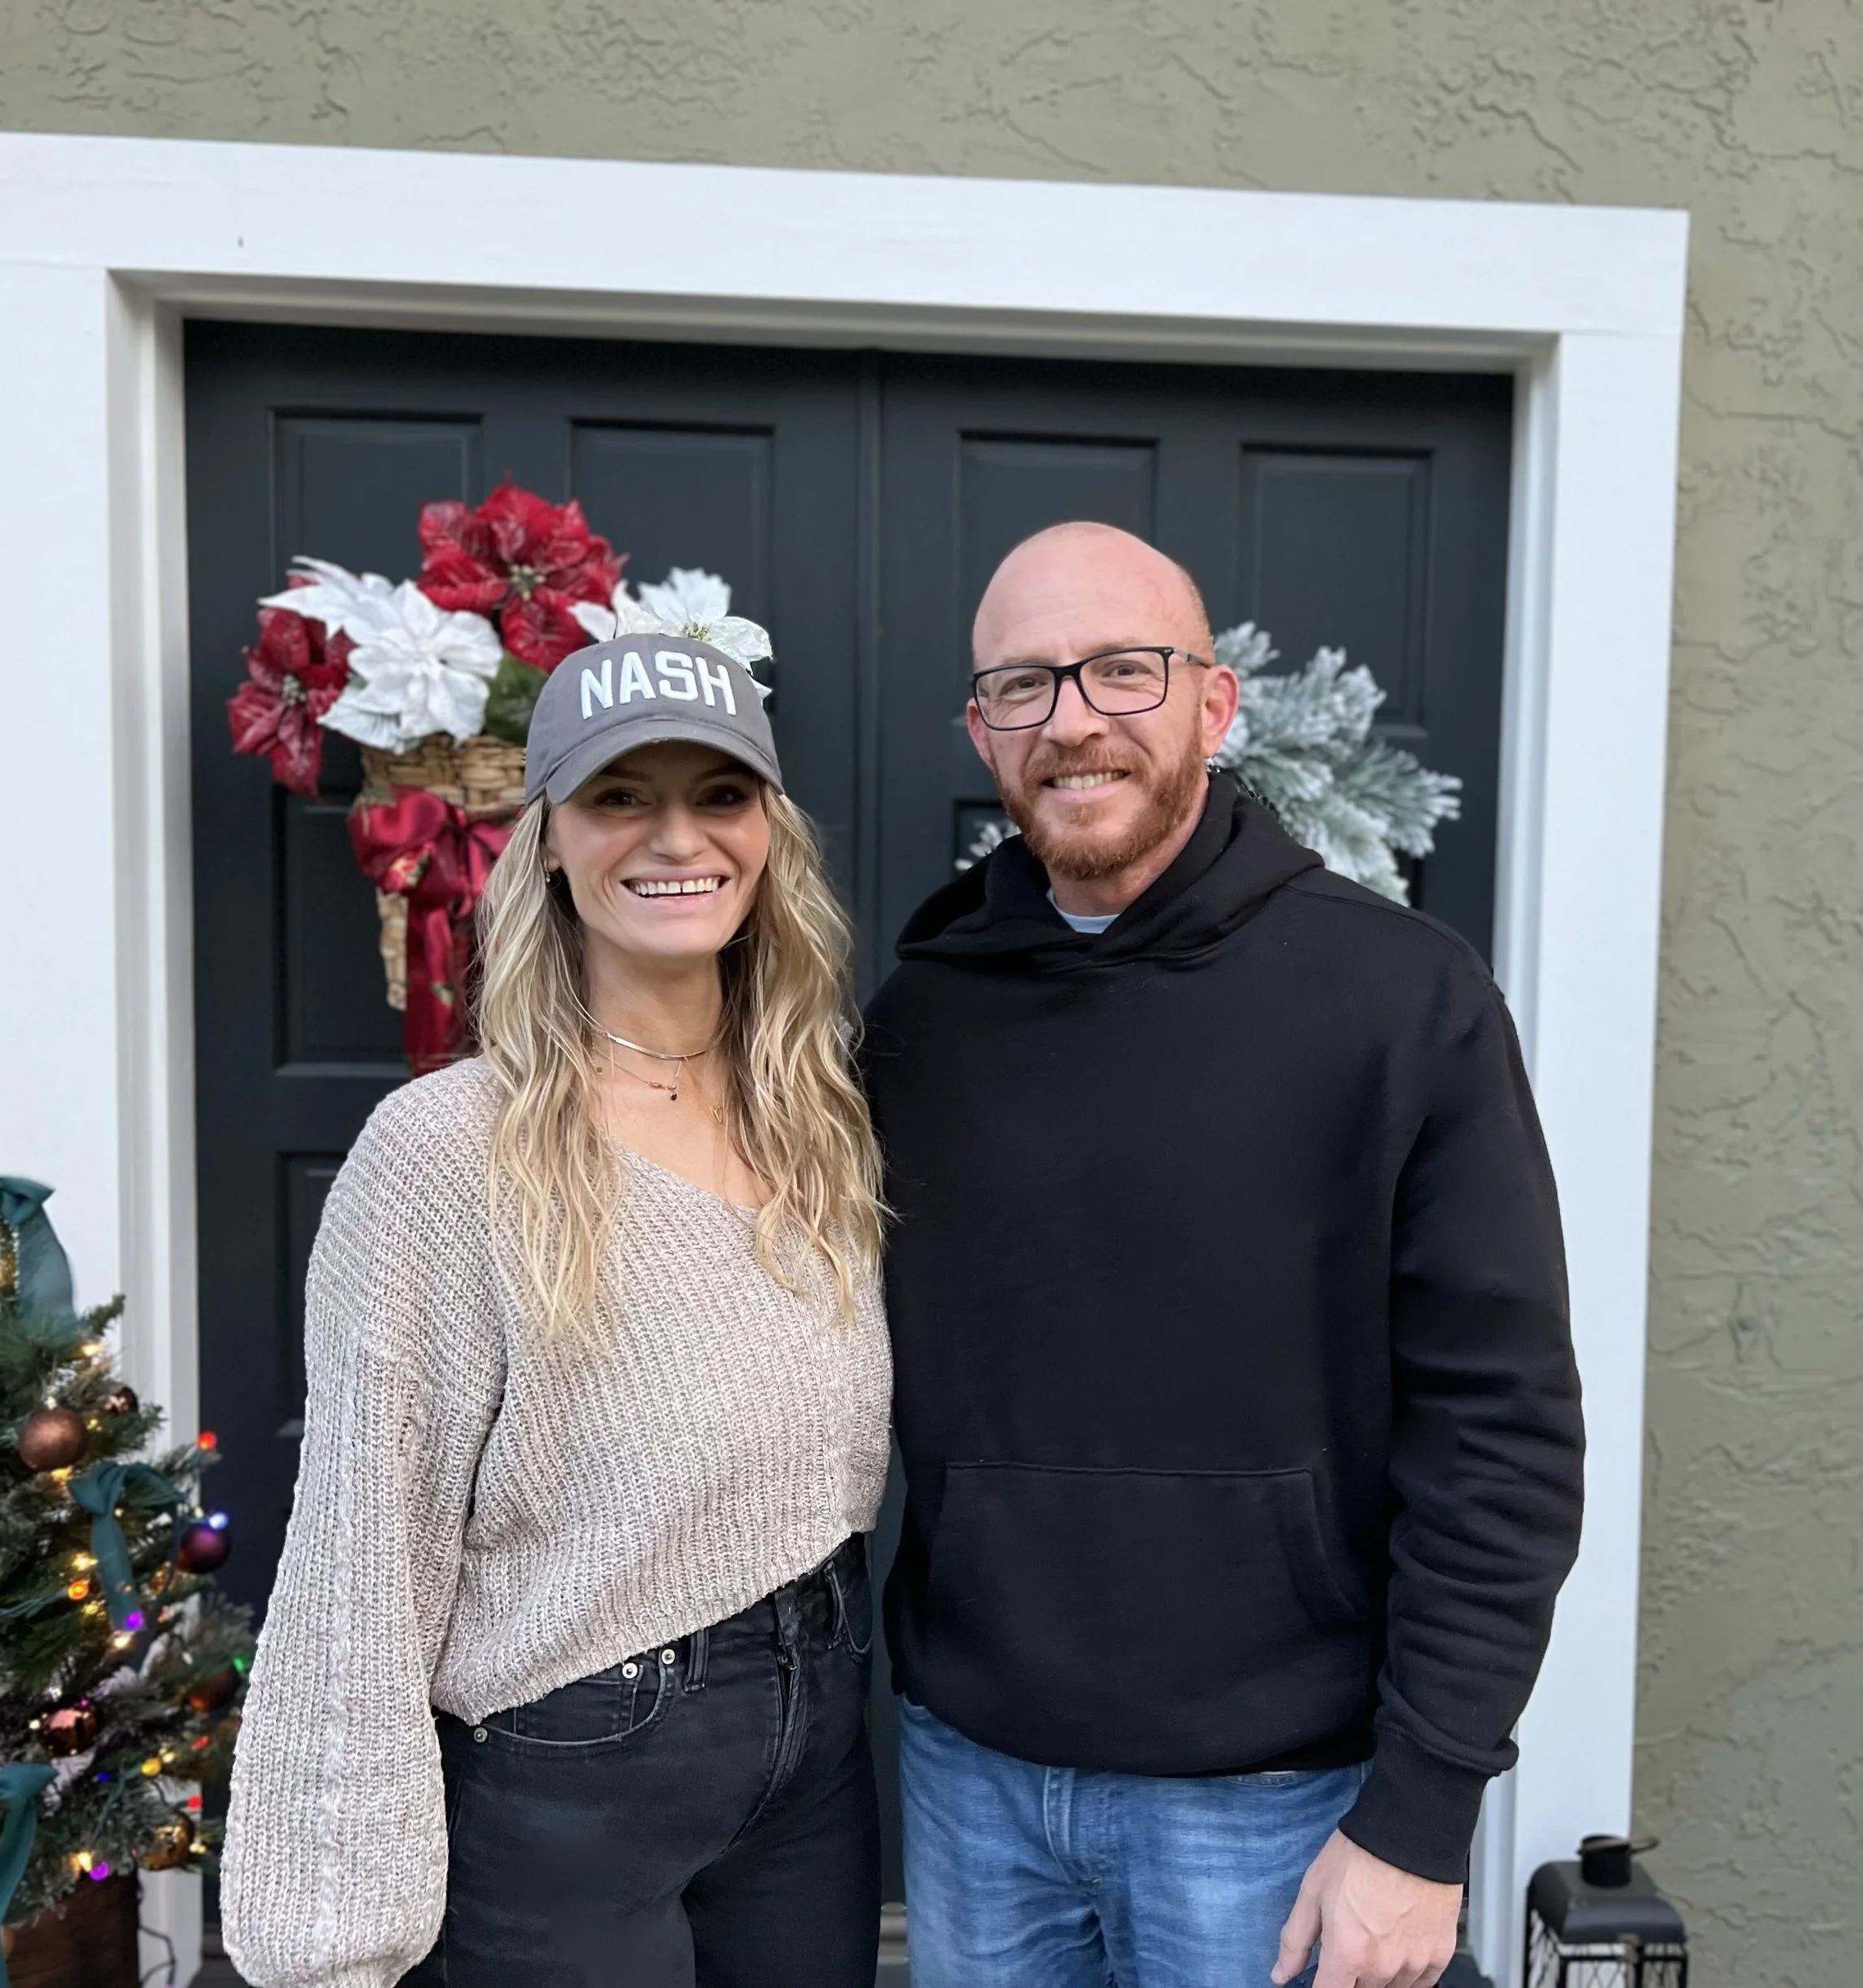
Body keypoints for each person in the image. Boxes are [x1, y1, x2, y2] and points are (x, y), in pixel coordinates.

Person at [861, 522, 1585, 1988]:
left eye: (1122, 670)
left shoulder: (1400, 1001)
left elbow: (1501, 1434)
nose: (1073, 720)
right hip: (972, 1777)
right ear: (980, 730)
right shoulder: (923, 1020)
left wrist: (1424, 1814)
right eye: (1023, 686)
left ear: (1214, 701)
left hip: (1281, 1802)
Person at [224, 633, 891, 1988]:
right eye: (619, 796)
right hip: (575, 1766)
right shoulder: (445, 1152)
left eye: (718, 794)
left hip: (819, 1744)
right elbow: (360, 1557)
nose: (675, 835)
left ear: (770, 832)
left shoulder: (818, 1114)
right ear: (544, 840)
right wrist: (331, 1946)